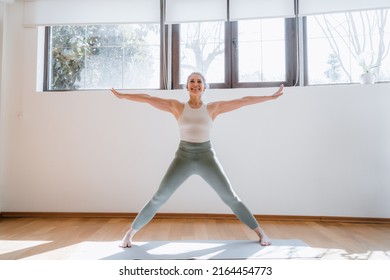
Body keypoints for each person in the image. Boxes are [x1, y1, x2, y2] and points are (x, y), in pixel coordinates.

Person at [111, 72, 284, 248]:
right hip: (183, 157)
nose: (195, 84)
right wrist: (123, 96)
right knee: (159, 197)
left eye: (199, 81)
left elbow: (244, 100)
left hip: (206, 156)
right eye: (191, 81)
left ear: (204, 86)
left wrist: (270, 97)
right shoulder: (176, 106)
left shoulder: (213, 108)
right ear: (186, 87)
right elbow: (148, 98)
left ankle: (261, 233)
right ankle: (129, 234)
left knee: (231, 197)